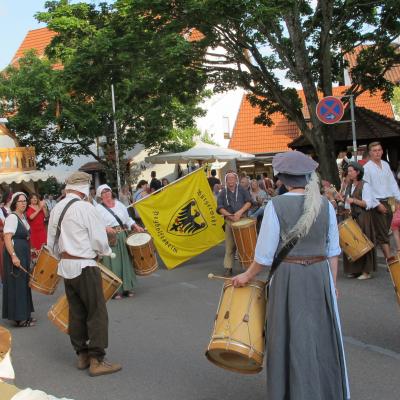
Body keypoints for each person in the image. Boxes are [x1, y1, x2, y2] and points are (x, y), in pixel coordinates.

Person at [232, 151, 350, 400]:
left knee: (288, 334)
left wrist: (246, 276)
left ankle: (291, 392)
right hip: (319, 276)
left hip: (288, 278)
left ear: (283, 179)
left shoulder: (275, 205)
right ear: (308, 177)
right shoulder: (326, 205)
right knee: (321, 335)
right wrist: (332, 284)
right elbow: (333, 252)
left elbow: (264, 256)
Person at [47, 172, 121, 376]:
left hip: (67, 266)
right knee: (96, 312)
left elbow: (51, 243)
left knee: (76, 312)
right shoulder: (86, 208)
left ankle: (82, 355)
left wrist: (65, 256)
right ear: (84, 188)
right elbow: (99, 240)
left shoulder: (57, 208)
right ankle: (97, 360)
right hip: (85, 266)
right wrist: (106, 250)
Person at [95, 184, 145, 299]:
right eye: (103, 192)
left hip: (122, 235)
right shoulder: (98, 209)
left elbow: (127, 219)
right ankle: (115, 291)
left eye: (108, 191)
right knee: (114, 264)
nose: (106, 194)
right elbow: (95, 224)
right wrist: (105, 228)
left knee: (126, 261)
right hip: (109, 238)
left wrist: (135, 226)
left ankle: (127, 288)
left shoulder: (119, 204)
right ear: (100, 196)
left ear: (111, 192)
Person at [2, 192, 35, 327]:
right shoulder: (12, 217)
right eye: (20, 201)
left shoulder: (23, 217)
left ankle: (25, 314)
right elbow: (7, 238)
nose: (24, 203)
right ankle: (20, 318)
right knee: (17, 284)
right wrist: (13, 256)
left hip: (23, 253)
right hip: (15, 253)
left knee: (24, 283)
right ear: (15, 203)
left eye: (25, 201)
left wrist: (30, 250)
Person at [363, 142, 400, 261]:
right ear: (370, 153)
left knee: (388, 230)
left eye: (379, 150)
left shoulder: (385, 165)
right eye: (374, 150)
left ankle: (388, 259)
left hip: (389, 201)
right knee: (383, 232)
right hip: (377, 202)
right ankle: (389, 260)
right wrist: (377, 204)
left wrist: (398, 199)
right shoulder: (367, 168)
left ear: (382, 151)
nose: (377, 152)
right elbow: (367, 189)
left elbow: (392, 184)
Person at [340, 162, 377, 279]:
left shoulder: (365, 185)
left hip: (363, 217)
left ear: (358, 172)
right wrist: (342, 200)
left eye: (351, 171)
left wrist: (353, 200)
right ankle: (355, 270)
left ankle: (366, 272)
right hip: (352, 216)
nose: (349, 173)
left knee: (363, 243)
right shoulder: (349, 185)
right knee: (352, 243)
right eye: (348, 171)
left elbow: (368, 204)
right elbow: (347, 203)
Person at [216, 172, 252, 276]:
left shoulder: (242, 190)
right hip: (229, 221)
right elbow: (220, 207)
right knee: (229, 246)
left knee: (245, 245)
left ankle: (249, 268)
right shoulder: (222, 193)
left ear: (236, 180)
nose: (231, 181)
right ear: (226, 181)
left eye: (233, 178)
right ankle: (228, 268)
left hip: (242, 220)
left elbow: (249, 202)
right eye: (229, 179)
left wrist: (240, 212)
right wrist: (230, 216)